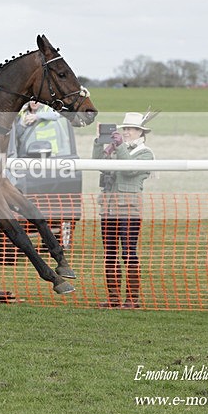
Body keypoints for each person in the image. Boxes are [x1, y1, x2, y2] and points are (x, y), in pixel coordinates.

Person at [92, 111, 156, 309]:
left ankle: (131, 298)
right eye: (125, 128)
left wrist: (118, 147)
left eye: (131, 129)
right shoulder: (117, 149)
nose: (127, 132)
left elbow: (129, 169)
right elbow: (99, 165)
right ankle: (113, 297)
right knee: (110, 254)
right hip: (109, 209)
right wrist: (99, 143)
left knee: (129, 253)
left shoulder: (146, 154)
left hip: (129, 210)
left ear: (140, 133)